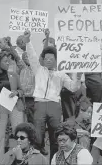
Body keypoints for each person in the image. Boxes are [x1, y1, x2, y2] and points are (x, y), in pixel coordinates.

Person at [23, 30, 82, 161]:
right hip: (39, 104)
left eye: (51, 59)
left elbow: (73, 87)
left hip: (55, 105)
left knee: (56, 137)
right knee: (37, 137)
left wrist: (78, 78)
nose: (49, 61)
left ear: (56, 60)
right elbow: (32, 55)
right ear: (43, 60)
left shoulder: (61, 74)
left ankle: (54, 162)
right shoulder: (38, 69)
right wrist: (27, 41)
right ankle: (36, 162)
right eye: (46, 59)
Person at [0, 51, 26, 164]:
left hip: (15, 106)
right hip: (0, 107)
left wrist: (16, 92)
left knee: (19, 134)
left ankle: (18, 159)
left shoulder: (14, 74)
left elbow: (22, 91)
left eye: (9, 61)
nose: (8, 63)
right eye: (5, 61)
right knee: (0, 137)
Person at [19, 52, 35, 124]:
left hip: (32, 98)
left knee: (32, 119)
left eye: (27, 56)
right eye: (24, 57)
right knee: (26, 118)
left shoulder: (35, 69)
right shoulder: (22, 70)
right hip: (23, 98)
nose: (25, 58)